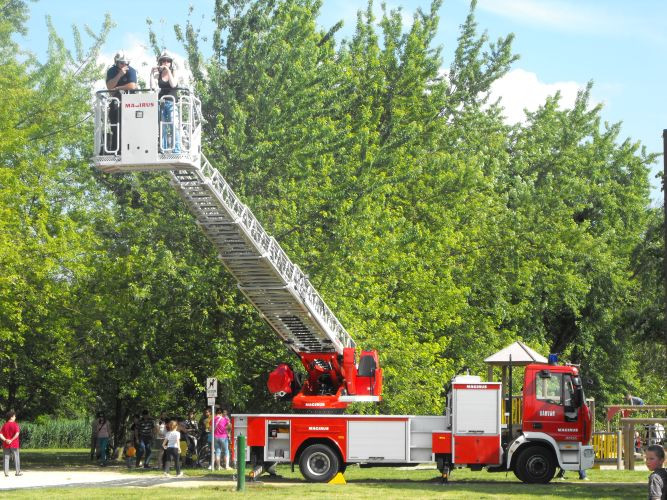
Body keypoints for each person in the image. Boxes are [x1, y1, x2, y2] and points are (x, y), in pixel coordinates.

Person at [103, 51, 138, 154]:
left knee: (129, 126)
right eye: (121, 63)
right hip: (116, 101)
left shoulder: (131, 71)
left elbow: (132, 86)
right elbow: (109, 87)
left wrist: (117, 88)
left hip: (130, 102)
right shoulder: (112, 71)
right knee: (115, 124)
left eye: (125, 63)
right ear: (116, 62)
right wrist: (119, 75)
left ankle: (130, 148)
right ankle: (116, 149)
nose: (124, 65)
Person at [153, 50, 181, 153]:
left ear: (171, 62)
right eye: (163, 61)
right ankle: (163, 149)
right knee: (162, 127)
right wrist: (152, 73)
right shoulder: (158, 74)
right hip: (161, 102)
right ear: (160, 62)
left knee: (174, 125)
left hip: (171, 103)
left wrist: (168, 70)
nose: (165, 63)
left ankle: (176, 150)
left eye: (168, 61)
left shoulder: (174, 72)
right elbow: (153, 86)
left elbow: (173, 84)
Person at [0, 411, 21, 477]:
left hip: (6, 444)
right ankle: (17, 472)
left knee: (6, 458)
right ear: (11, 417)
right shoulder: (15, 424)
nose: (15, 417)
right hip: (14, 444)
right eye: (14, 416)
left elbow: (0, 434)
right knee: (16, 458)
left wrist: (5, 440)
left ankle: (6, 473)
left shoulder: (4, 425)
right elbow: (17, 434)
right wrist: (11, 440)